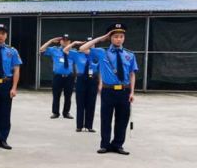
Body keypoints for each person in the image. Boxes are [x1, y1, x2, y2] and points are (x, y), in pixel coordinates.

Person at [80, 24, 138, 155]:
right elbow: (83, 48)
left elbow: (132, 74)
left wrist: (132, 92)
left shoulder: (129, 55)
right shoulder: (102, 52)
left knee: (122, 119)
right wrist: (101, 38)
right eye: (116, 36)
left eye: (121, 36)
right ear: (110, 38)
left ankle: (118, 145)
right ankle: (105, 145)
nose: (119, 39)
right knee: (106, 118)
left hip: (124, 91)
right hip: (108, 91)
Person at [64, 37, 99, 133]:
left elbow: (101, 70)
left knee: (91, 103)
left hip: (93, 80)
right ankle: (79, 126)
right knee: (80, 103)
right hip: (81, 80)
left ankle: (89, 126)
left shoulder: (97, 55)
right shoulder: (77, 54)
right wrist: (74, 42)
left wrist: (100, 84)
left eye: (92, 43)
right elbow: (65, 50)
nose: (91, 45)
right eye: (88, 43)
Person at [39, 34, 75, 119]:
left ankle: (66, 113)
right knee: (56, 95)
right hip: (57, 76)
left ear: (70, 42)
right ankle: (55, 112)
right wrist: (51, 40)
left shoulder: (73, 51)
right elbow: (41, 49)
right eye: (63, 40)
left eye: (67, 40)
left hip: (69, 77)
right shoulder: (54, 50)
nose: (65, 42)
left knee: (68, 96)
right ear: (60, 41)